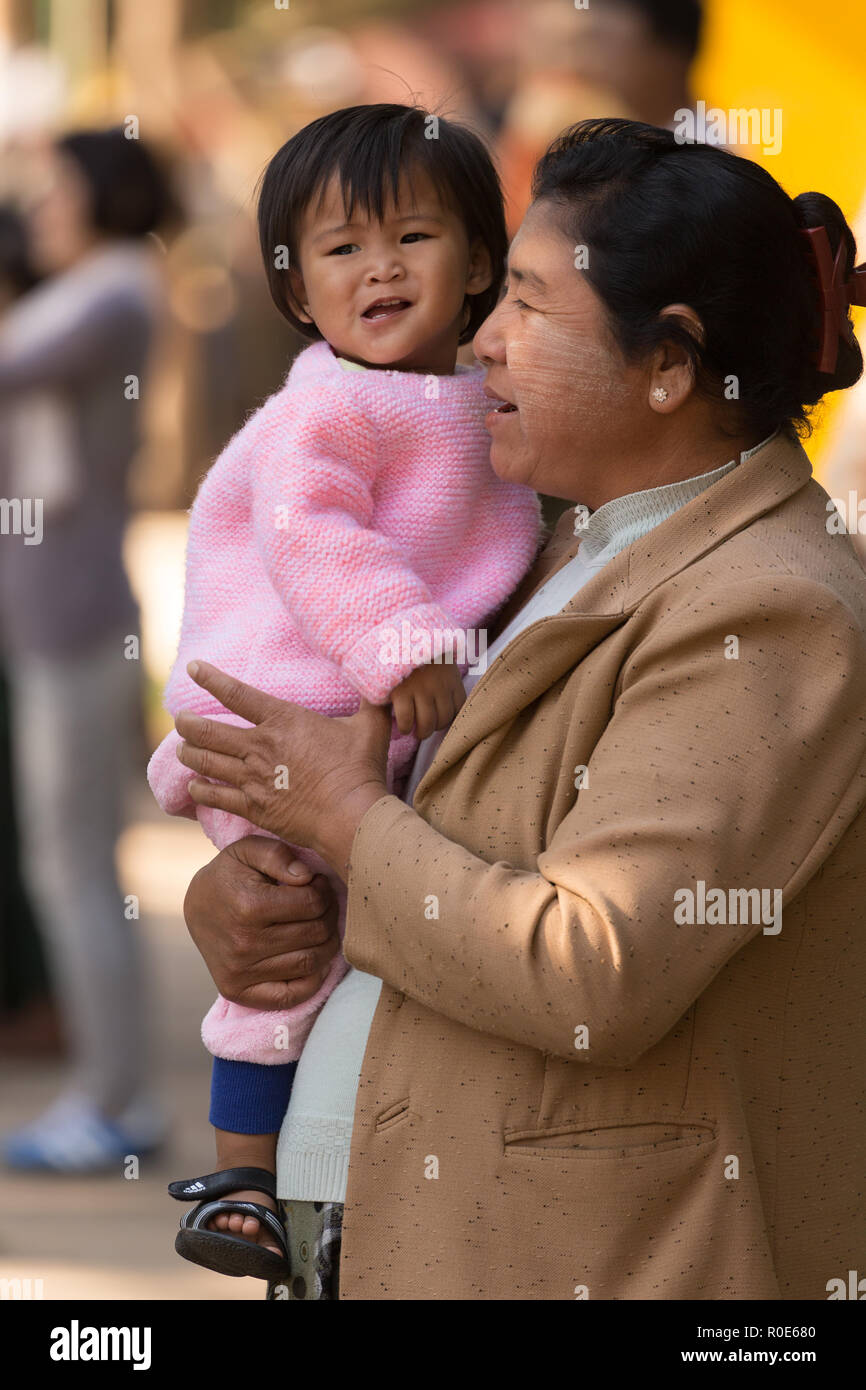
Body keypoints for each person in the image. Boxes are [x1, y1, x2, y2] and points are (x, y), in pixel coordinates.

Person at [178, 118, 866, 1300]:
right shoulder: (567, 545)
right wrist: (250, 896)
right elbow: (436, 831)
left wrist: (341, 821)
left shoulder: (766, 613)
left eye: (529, 308)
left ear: (666, 363)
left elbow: (587, 965)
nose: (481, 341)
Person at [150, 104, 540, 1280]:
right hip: (285, 704)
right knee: (288, 939)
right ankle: (245, 1180)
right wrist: (404, 642)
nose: (379, 268)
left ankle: (278, 1174)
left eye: (413, 237)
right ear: (294, 293)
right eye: (339, 250)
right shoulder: (328, 403)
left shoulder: (482, 392)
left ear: (479, 261)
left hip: (358, 706)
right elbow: (307, 530)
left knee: (318, 936)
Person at [0, 130, 172, 1171]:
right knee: (77, 864)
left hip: (72, 619)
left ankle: (113, 1100)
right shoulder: (93, 291)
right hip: (63, 614)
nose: (42, 207)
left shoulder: (112, 291)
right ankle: (113, 1092)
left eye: (57, 187)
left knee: (74, 868)